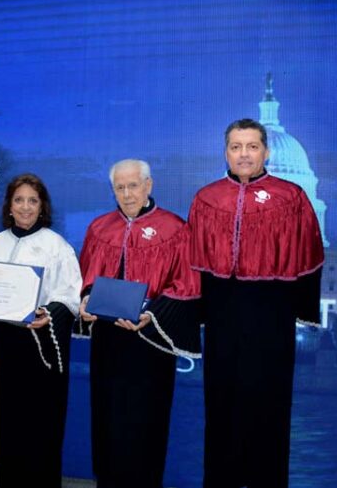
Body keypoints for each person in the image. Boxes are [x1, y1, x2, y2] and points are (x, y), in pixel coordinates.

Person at [187, 119, 324, 488]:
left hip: (272, 318)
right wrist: (197, 317)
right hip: (222, 319)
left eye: (252, 146)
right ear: (226, 153)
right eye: (236, 147)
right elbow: (193, 262)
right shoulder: (206, 199)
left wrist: (304, 311)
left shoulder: (291, 197)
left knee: (270, 407)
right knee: (222, 407)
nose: (244, 154)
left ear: (266, 151)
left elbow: (311, 252)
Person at [79, 159, 201, 488]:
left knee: (146, 421)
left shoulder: (175, 229)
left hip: (151, 343)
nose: (127, 193)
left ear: (149, 185)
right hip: (107, 341)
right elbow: (86, 278)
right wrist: (86, 298)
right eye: (119, 187)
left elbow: (187, 285)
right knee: (106, 417)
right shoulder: (99, 229)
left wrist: (152, 315)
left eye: (133, 185)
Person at [0, 173, 82, 488]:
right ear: (9, 206)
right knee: (10, 421)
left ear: (42, 206)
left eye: (32, 201)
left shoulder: (57, 246)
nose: (25, 207)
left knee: (43, 424)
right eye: (19, 200)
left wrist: (49, 314)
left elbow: (71, 296)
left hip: (43, 350)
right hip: (8, 350)